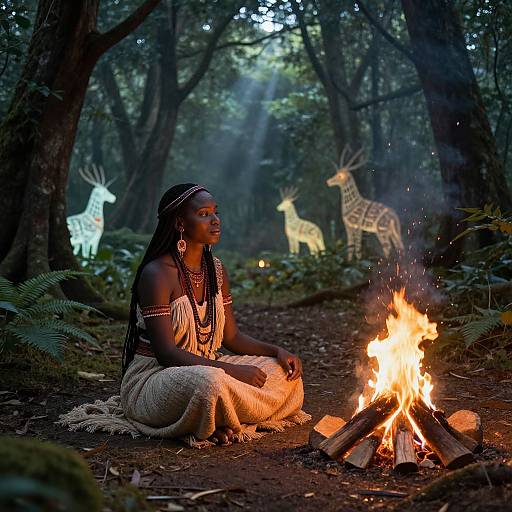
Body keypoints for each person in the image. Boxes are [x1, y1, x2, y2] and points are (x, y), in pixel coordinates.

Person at [117, 183, 309, 446]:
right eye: (204, 214)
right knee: (210, 384)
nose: (215, 221)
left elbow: (232, 336)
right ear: (181, 223)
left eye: (216, 212)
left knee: (284, 375)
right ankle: (219, 416)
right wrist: (231, 371)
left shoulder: (216, 271)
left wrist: (277, 351)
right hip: (157, 377)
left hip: (209, 367)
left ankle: (212, 419)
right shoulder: (157, 273)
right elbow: (166, 353)